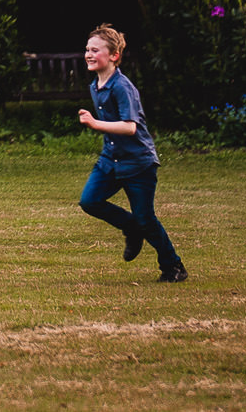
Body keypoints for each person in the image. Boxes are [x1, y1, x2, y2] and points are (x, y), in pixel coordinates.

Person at [76, 23, 188, 283]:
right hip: (110, 161)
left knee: (146, 218)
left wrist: (94, 123)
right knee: (89, 201)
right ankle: (131, 227)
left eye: (95, 50)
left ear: (114, 56)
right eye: (87, 50)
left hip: (138, 164)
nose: (89, 54)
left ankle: (173, 267)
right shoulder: (96, 85)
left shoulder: (122, 87)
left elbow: (129, 127)